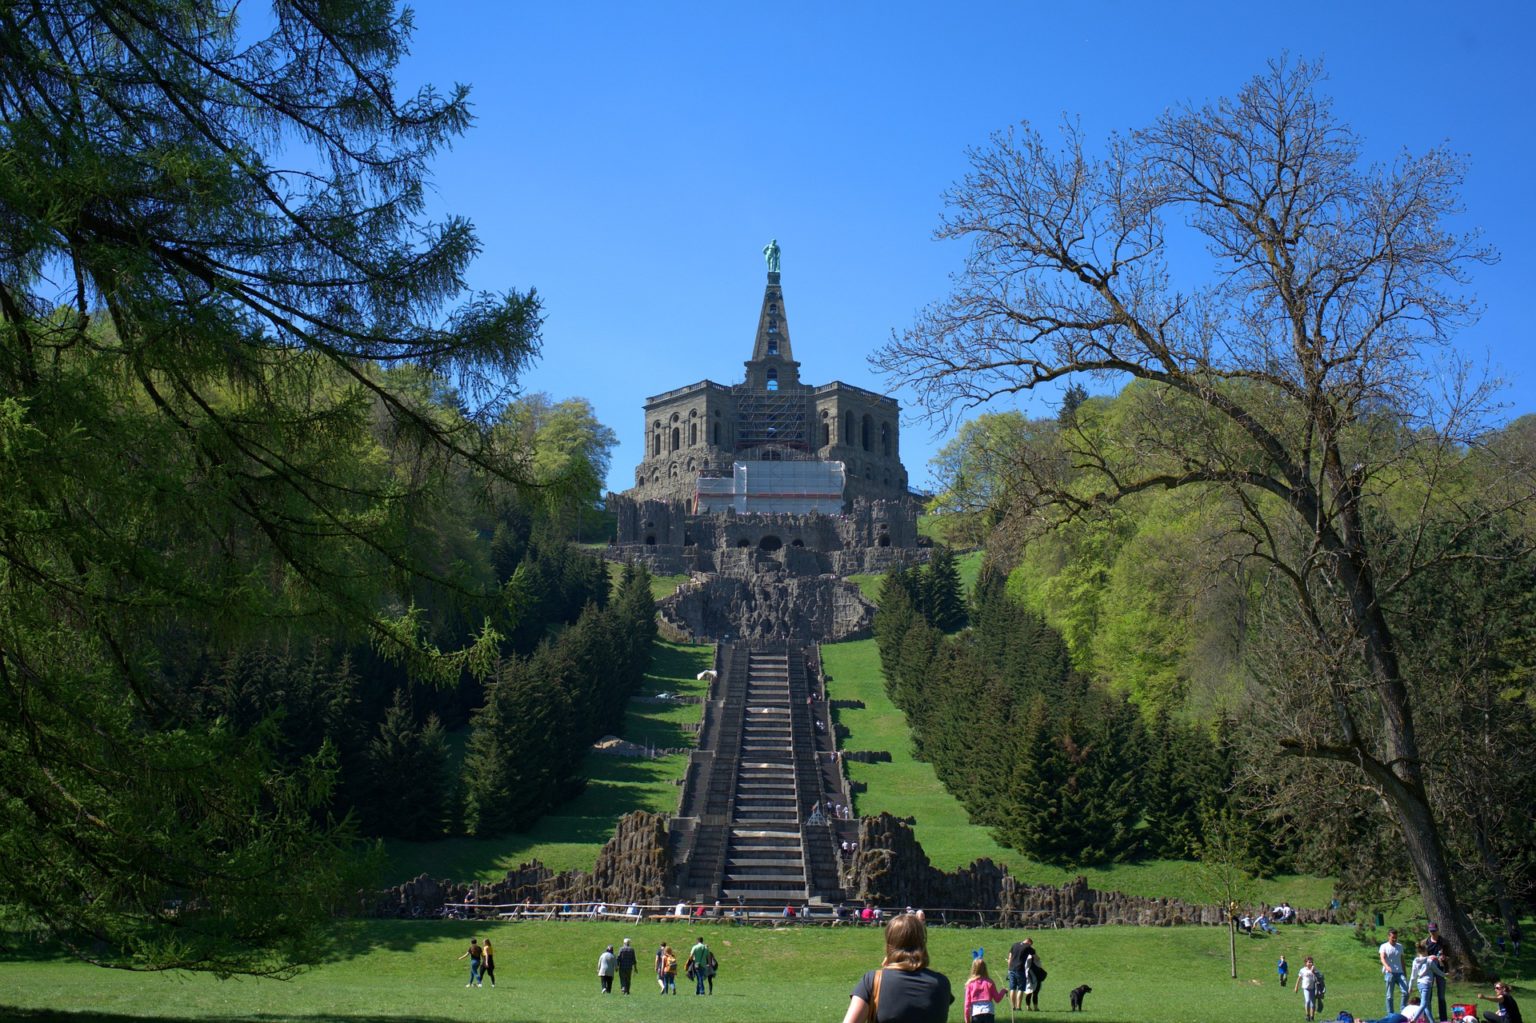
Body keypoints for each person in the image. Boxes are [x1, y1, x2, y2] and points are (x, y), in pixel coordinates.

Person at [840, 913, 954, 1023]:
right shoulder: (942, 983)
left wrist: (885, 972)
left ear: (890, 943)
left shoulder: (872, 981)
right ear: (922, 942)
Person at [1410, 939, 1447, 1022]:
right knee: (1423, 1005)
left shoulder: (1415, 961)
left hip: (1419, 984)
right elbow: (1437, 971)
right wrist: (1445, 974)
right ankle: (1413, 1020)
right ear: (1425, 951)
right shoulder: (1429, 961)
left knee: (1427, 1006)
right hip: (1427, 984)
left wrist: (1410, 987)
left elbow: (1413, 976)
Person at [964, 957, 1006, 1023]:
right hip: (989, 1013)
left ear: (973, 969)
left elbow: (967, 1004)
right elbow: (997, 999)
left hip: (976, 1014)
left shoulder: (970, 984)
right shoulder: (989, 982)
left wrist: (967, 1020)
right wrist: (1003, 991)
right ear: (985, 968)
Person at [1424, 923, 1449, 1022]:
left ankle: (1443, 1019)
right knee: (1428, 996)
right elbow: (1419, 958)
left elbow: (1450, 956)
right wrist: (1429, 957)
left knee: (1441, 996)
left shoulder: (1444, 942)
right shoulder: (1424, 943)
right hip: (1428, 971)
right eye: (1431, 931)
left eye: (1434, 930)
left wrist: (1445, 958)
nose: (1433, 933)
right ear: (1428, 931)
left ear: (1438, 930)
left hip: (1441, 970)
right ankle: (1427, 1018)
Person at [1382, 928, 1410, 1015]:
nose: (1394, 939)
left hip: (1400, 973)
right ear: (1388, 937)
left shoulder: (1399, 946)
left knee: (1406, 991)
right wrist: (1387, 967)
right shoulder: (1384, 946)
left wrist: (1405, 973)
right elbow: (1382, 958)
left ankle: (1403, 1010)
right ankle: (1390, 1014)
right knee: (1389, 995)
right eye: (1393, 937)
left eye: (1396, 938)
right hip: (1389, 973)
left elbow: (1402, 960)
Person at [1364, 992, 1431, 1023]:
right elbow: (1426, 1021)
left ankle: (1365, 1021)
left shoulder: (1408, 1007)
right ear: (1419, 1003)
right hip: (1401, 1019)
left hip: (1395, 1015)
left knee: (1379, 1021)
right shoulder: (1420, 1009)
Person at [1022, 938, 1046, 1011]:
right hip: (1030, 974)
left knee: (1035, 991)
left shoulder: (1031, 952)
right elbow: (1037, 959)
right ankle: (1028, 1006)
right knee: (1030, 991)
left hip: (1035, 973)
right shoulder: (1025, 953)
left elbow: (1037, 959)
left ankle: (1034, 1007)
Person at [1007, 937, 1030, 1012]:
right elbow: (1035, 956)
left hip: (1011, 969)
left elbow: (1009, 958)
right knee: (1020, 988)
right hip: (1020, 969)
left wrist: (1009, 969)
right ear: (1029, 942)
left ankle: (1012, 1007)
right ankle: (1018, 1007)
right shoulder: (1027, 947)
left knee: (1012, 988)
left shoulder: (1014, 945)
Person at [1294, 956, 1319, 1022]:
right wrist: (1296, 987)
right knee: (1307, 1001)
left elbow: (1318, 977)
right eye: (1309, 962)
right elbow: (1299, 978)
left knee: (1313, 1004)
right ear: (1306, 963)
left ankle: (1312, 1017)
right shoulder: (1302, 970)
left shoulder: (1314, 969)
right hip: (1306, 988)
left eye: (1311, 962)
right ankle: (1307, 1015)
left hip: (1313, 988)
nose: (1310, 963)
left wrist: (1313, 971)